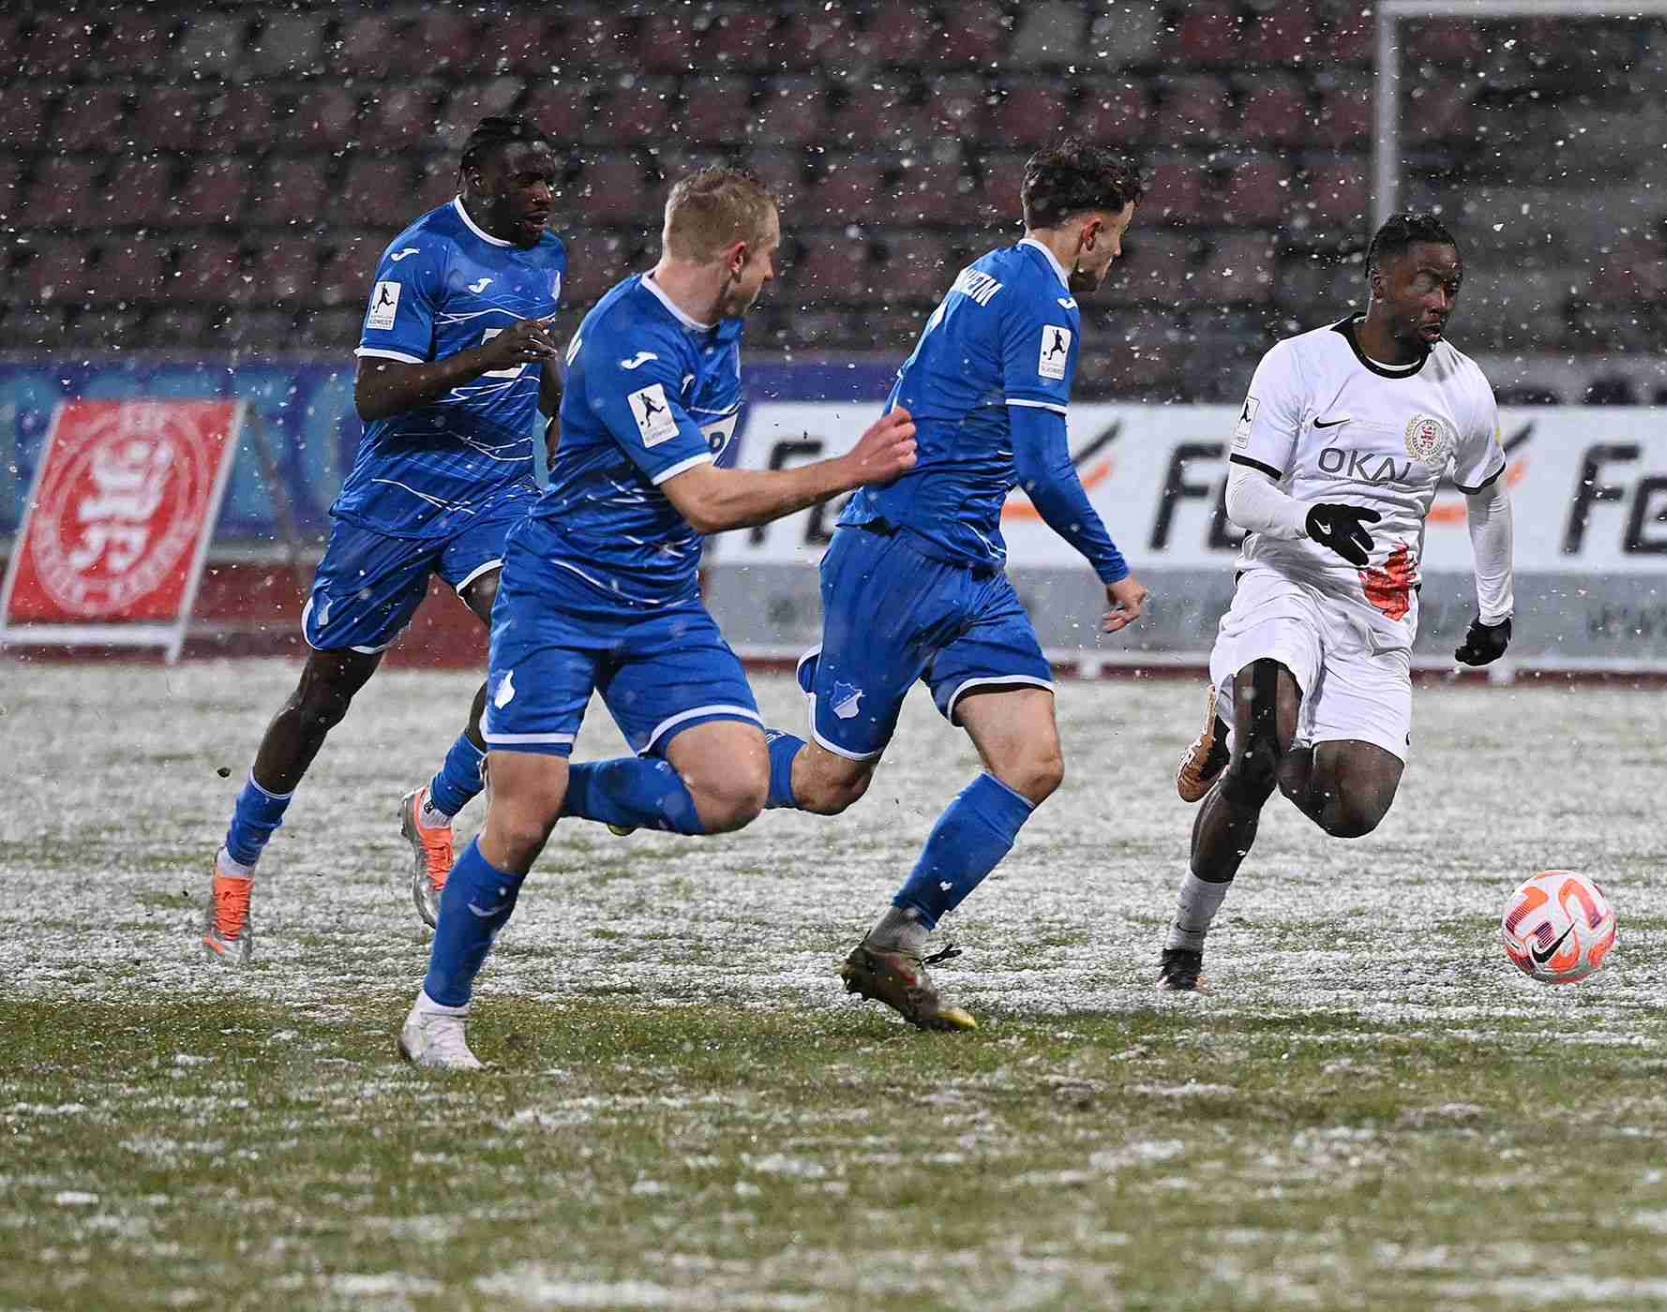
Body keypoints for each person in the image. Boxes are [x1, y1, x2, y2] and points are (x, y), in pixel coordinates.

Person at [398, 168, 919, 1068]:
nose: (775, 276)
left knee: (733, 791)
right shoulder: (629, 340)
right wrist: (848, 469)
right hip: (559, 599)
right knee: (513, 831)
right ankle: (435, 1017)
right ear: (736, 256)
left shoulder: (718, 327)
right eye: (770, 258)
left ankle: (548, 790)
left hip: (659, 607)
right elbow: (704, 501)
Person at [757, 142, 1149, 1032]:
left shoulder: (992, 271)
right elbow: (1044, 468)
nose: (1118, 255)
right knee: (826, 784)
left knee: (1032, 763)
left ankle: (895, 942)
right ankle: (644, 770)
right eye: (1119, 236)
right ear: (1090, 231)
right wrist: (1114, 568)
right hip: (899, 559)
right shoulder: (1045, 300)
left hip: (965, 566)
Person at [202, 117, 565, 966]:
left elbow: (537, 359)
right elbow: (375, 394)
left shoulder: (546, 254)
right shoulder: (420, 256)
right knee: (325, 694)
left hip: (496, 493)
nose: (544, 195)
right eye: (525, 179)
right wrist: (482, 357)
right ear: (474, 177)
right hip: (397, 500)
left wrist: (565, 410)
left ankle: (435, 809)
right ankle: (235, 866)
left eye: (550, 179)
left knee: (541, 650)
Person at [1156, 212, 1515, 992]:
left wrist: (1496, 610)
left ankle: (1234, 720)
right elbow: (1244, 495)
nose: (1441, 301)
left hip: (1377, 613)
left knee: (1352, 809)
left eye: (1452, 287)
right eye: (1426, 282)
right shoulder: (1300, 364)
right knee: (1258, 759)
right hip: (1284, 580)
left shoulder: (1462, 388)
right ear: (1379, 281)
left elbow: (1488, 496)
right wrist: (1310, 518)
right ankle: (1183, 953)